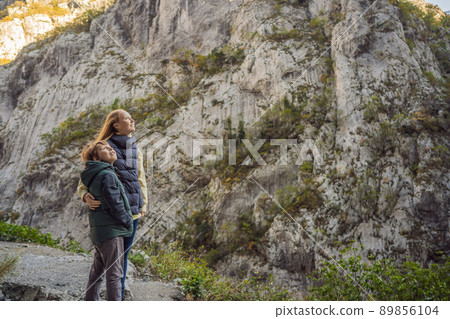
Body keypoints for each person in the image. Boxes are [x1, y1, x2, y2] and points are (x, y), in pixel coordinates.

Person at [77, 109, 148, 300]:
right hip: (113, 214)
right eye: (126, 118)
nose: (132, 120)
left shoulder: (135, 148)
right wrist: (85, 196)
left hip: (133, 211)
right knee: (117, 259)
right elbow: (85, 181)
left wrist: (144, 204)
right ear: (115, 125)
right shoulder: (105, 148)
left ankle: (111, 296)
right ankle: (117, 299)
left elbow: (140, 179)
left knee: (120, 257)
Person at [80, 140, 133, 301]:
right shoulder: (107, 174)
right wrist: (126, 221)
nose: (110, 149)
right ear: (96, 158)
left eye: (110, 147)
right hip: (112, 231)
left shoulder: (96, 174)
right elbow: (115, 202)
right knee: (115, 274)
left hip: (100, 231)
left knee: (96, 273)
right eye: (104, 148)